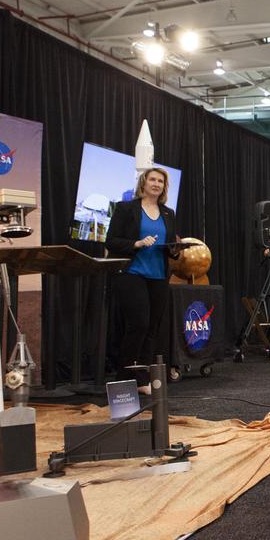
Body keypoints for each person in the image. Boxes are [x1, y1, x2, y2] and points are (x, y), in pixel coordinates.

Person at [106, 167, 180, 394]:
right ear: (144, 183)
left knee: (151, 329)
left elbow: (169, 248)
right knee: (137, 324)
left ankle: (141, 379)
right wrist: (136, 244)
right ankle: (123, 378)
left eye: (161, 181)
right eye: (153, 179)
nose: (156, 184)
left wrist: (177, 250)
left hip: (158, 276)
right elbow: (112, 241)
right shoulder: (126, 208)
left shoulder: (168, 213)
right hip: (132, 273)